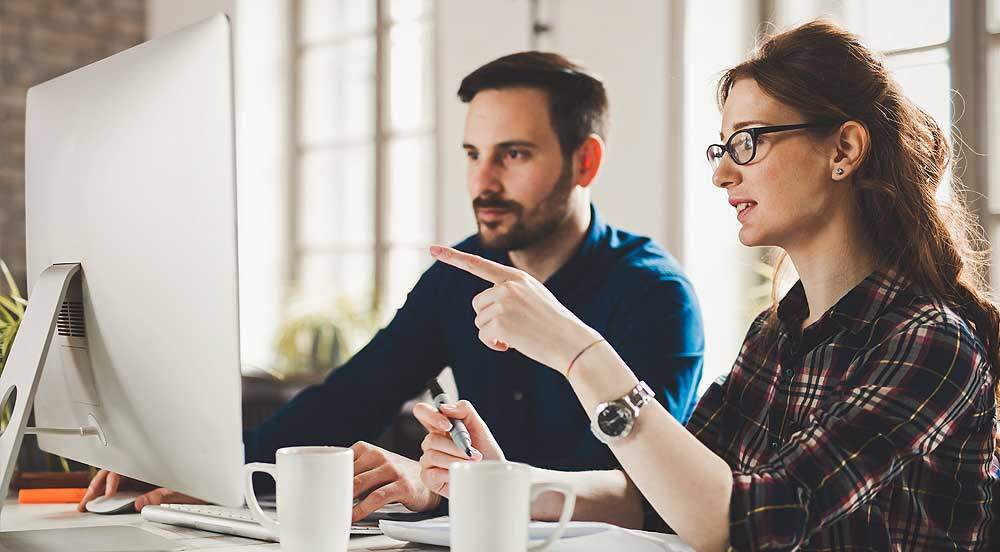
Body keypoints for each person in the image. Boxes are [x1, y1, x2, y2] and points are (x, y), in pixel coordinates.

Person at [414, 20, 998, 550]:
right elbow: (664, 498)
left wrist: (579, 351)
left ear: (843, 149)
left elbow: (743, 520)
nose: (722, 173)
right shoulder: (776, 335)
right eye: (723, 148)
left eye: (748, 141)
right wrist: (502, 482)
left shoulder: (931, 345)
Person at [78, 52, 704, 526]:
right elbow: (351, 396)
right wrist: (211, 475)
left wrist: (445, 485)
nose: (481, 180)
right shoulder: (458, 275)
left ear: (584, 163)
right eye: (471, 152)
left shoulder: (655, 296)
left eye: (512, 154)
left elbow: (647, 494)